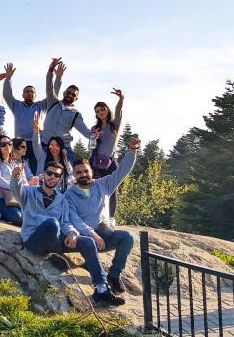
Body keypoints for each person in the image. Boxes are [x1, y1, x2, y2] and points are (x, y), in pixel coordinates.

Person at [10, 162, 125, 306]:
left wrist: (72, 233)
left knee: (87, 241)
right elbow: (17, 189)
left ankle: (101, 289)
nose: (52, 177)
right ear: (43, 174)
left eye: (56, 175)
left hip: (55, 240)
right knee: (52, 223)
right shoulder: (29, 192)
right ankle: (55, 255)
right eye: (49, 173)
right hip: (34, 240)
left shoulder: (62, 199)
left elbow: (65, 222)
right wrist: (16, 176)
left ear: (60, 179)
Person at [65, 138, 140, 300]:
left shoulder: (104, 184)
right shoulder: (69, 195)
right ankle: (94, 272)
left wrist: (132, 151)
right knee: (90, 239)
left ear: (91, 171)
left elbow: (122, 172)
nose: (83, 175)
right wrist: (92, 234)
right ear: (74, 175)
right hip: (86, 239)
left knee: (127, 237)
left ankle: (114, 275)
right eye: (78, 172)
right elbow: (75, 220)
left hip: (105, 235)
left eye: (85, 171)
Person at [2, 62, 62, 171]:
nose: (29, 93)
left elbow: (53, 94)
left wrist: (58, 78)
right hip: (19, 142)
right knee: (16, 167)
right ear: (22, 95)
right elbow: (7, 95)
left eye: (32, 92)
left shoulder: (42, 105)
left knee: (36, 168)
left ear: (35, 95)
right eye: (27, 91)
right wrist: (8, 78)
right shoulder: (16, 105)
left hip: (37, 142)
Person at [42, 58, 89, 162]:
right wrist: (51, 69)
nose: (70, 95)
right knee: (44, 171)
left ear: (76, 98)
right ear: (64, 93)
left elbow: (85, 132)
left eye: (73, 95)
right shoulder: (53, 102)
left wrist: (94, 134)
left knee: (71, 171)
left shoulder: (75, 114)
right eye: (68, 93)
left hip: (64, 149)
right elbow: (49, 85)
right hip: (46, 147)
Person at [91, 88, 125, 227]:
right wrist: (94, 137)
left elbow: (119, 111)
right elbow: (91, 146)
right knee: (96, 189)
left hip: (110, 161)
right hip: (96, 162)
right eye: (97, 111)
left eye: (102, 110)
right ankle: (98, 216)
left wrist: (121, 99)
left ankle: (111, 217)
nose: (100, 113)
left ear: (107, 110)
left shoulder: (114, 125)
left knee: (112, 189)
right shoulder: (95, 128)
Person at [0, 135, 25, 225]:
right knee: (18, 217)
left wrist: (25, 188)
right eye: (3, 144)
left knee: (31, 214)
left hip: (15, 198)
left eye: (9, 144)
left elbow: (23, 181)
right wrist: (14, 186)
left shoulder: (14, 164)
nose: (7, 146)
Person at [32, 112, 74, 191]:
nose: (53, 148)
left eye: (56, 145)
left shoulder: (65, 161)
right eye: (51, 145)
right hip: (42, 190)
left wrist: (65, 156)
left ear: (60, 147)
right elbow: (36, 144)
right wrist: (36, 131)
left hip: (60, 192)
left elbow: (71, 177)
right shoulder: (42, 156)